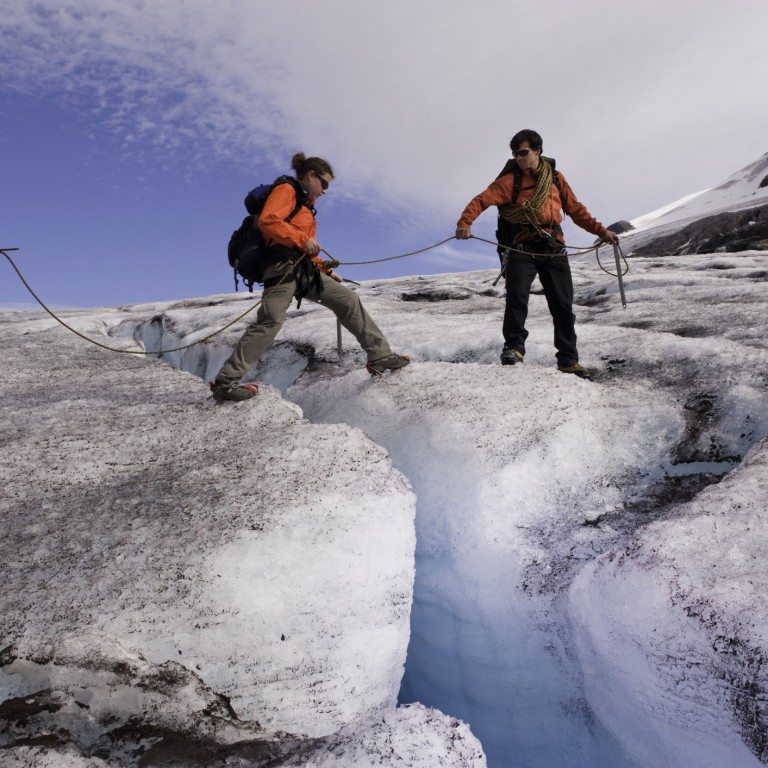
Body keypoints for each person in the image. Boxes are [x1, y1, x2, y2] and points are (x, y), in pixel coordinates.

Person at [211, 152, 410, 401]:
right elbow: (268, 221)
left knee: (347, 299)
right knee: (270, 321)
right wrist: (303, 239)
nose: (325, 191)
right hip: (281, 269)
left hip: (303, 270)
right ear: (310, 176)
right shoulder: (286, 189)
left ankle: (380, 357)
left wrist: (326, 270)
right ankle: (225, 382)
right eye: (324, 184)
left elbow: (307, 249)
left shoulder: (307, 208)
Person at [455, 129, 618, 378]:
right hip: (522, 247)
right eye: (515, 154)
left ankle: (568, 359)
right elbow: (482, 200)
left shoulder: (555, 179)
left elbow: (576, 210)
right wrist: (465, 223)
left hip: (553, 248)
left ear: (537, 151)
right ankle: (514, 348)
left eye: (523, 152)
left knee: (563, 305)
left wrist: (602, 231)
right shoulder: (511, 181)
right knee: (517, 298)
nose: (518, 158)